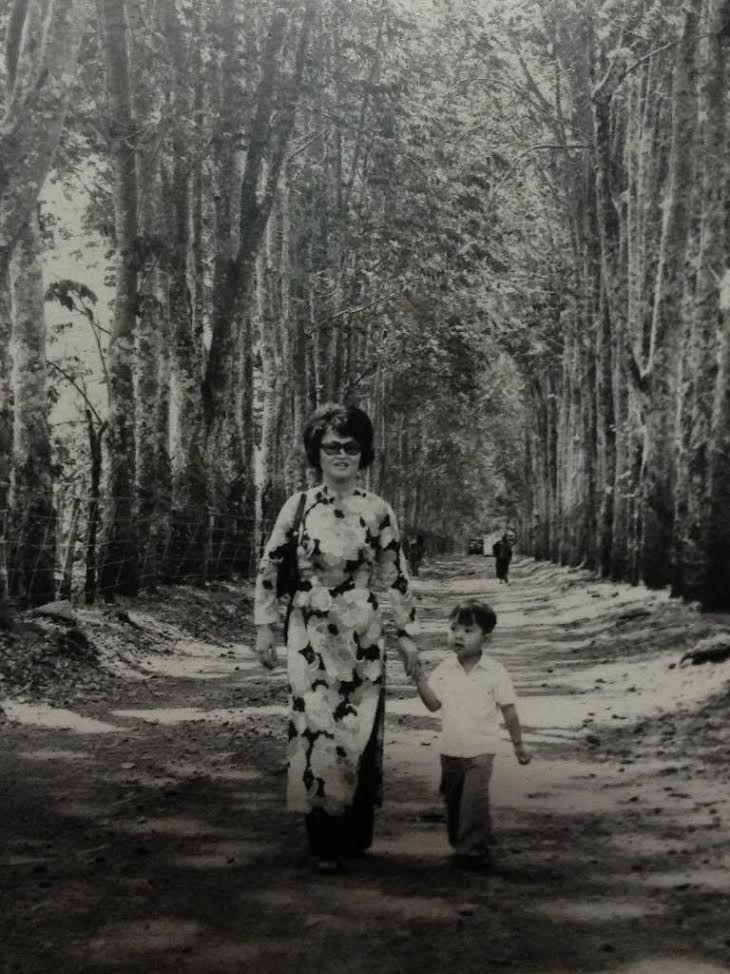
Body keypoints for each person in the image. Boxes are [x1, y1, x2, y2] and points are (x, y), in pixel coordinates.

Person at [254, 403, 420, 874]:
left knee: (357, 727)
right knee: (313, 726)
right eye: (332, 447)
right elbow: (269, 567)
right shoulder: (299, 505)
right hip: (308, 631)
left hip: (362, 635)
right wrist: (265, 628)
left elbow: (395, 576)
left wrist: (407, 636)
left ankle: (353, 831)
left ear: (364, 452)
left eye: (351, 447)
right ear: (317, 453)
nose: (342, 455)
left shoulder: (378, 509)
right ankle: (323, 837)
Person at [411, 599, 531, 870]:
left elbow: (509, 710)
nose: (459, 636)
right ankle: (466, 842)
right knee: (454, 805)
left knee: (473, 802)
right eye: (454, 629)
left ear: (486, 637)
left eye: (468, 631)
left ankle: (473, 850)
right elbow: (433, 704)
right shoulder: (445, 668)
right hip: (450, 750)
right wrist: (420, 681)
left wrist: (519, 745)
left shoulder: (495, 672)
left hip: (481, 750)